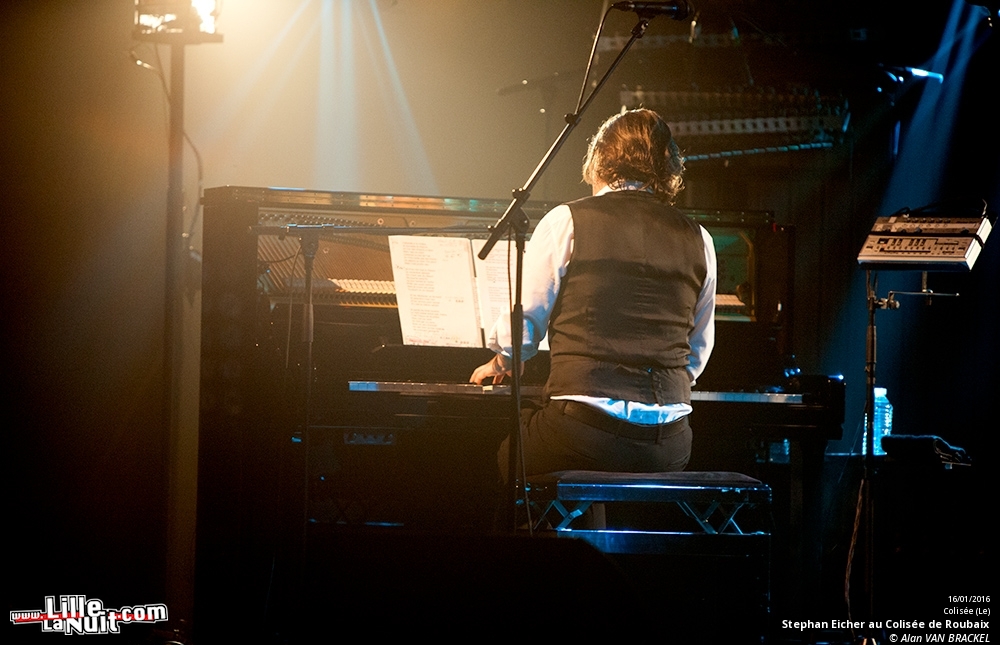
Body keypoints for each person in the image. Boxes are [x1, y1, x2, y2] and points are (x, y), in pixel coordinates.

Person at [470, 108, 716, 482]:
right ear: (668, 168)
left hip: (583, 435)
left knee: (505, 457)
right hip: (668, 445)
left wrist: (504, 360)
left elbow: (525, 323)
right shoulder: (701, 239)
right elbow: (696, 352)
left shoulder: (566, 221)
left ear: (599, 159)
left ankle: (545, 539)